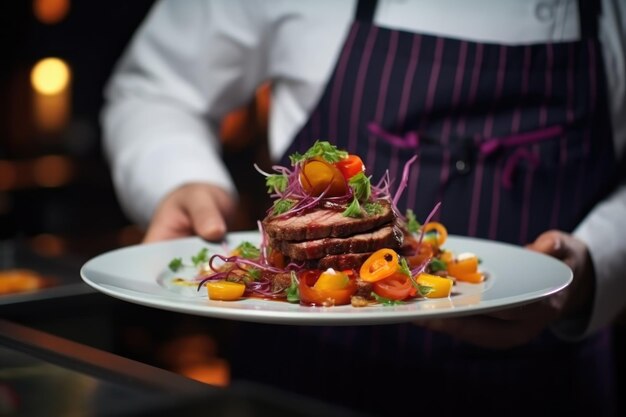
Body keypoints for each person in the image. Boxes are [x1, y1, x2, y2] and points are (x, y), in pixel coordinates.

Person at [101, 1, 626, 415]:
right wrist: (180, 178)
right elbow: (155, 90)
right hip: (299, 384)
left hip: (541, 383)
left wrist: (596, 261)